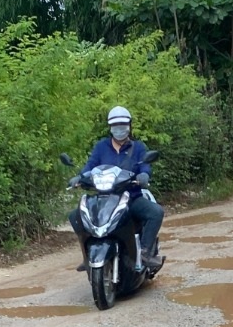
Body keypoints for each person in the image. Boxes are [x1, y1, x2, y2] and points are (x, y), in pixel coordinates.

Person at [68, 106, 164, 271]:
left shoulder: (139, 147)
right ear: (110, 128)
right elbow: (90, 166)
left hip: (131, 197)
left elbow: (145, 166)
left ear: (129, 126)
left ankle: (146, 252)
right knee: (74, 216)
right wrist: (80, 177)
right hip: (104, 198)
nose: (119, 129)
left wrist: (144, 176)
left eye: (123, 125)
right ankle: (86, 254)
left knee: (156, 212)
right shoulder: (101, 147)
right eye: (115, 126)